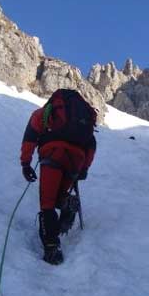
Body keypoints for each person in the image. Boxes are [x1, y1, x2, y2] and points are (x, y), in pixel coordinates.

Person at [20, 89, 97, 265]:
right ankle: (66, 203)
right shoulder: (82, 118)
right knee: (58, 195)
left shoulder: (46, 112)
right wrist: (83, 168)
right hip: (76, 159)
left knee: (47, 203)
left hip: (52, 154)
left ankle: (52, 248)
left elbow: (31, 135)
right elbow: (91, 143)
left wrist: (26, 163)